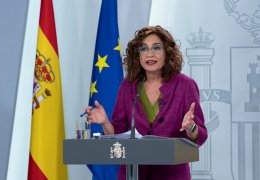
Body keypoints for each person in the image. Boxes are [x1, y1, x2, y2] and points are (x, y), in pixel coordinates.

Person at [85, 25, 208, 180]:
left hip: (171, 175)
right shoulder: (128, 86)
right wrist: (105, 123)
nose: (150, 54)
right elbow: (118, 134)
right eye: (144, 49)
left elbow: (201, 136)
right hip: (132, 174)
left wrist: (192, 127)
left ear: (167, 53)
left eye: (156, 48)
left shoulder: (185, 85)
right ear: (138, 56)